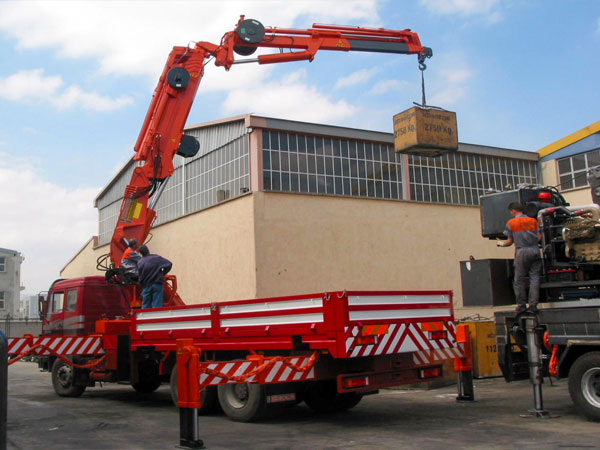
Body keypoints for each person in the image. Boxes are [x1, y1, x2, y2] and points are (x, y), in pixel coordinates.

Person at [497, 202, 542, 312]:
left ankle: (521, 305)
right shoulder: (533, 221)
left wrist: (501, 244)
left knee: (519, 280)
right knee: (534, 278)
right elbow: (539, 237)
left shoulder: (511, 223)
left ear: (513, 211)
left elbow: (510, 241)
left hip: (522, 251)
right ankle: (533, 305)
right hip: (535, 250)